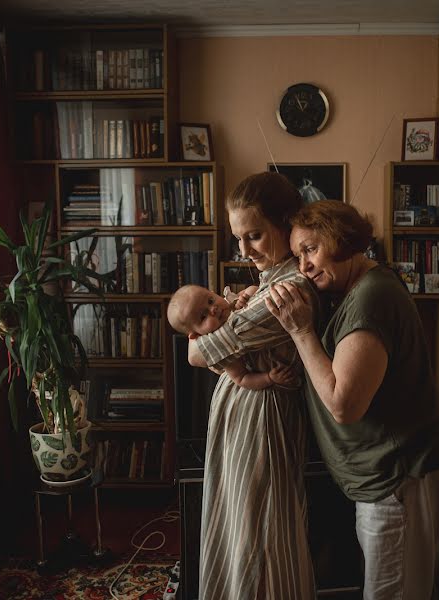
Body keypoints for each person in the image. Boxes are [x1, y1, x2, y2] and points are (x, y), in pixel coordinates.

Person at [266, 200, 439, 600]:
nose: (303, 265)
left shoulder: (371, 298)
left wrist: (301, 332)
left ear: (339, 240)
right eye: (297, 253)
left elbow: (343, 404)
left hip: (397, 478)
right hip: (388, 477)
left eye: (310, 249)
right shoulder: (355, 287)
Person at [186, 172, 317, 599]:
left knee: (258, 535)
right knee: (238, 527)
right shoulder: (266, 284)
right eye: (238, 238)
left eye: (255, 235)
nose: (243, 251)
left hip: (261, 422)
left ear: (286, 224)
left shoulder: (288, 289)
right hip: (242, 418)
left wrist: (201, 346)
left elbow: (198, 354)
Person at [167, 283, 296, 390]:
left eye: (210, 300)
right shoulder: (221, 347)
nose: (213, 309)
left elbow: (255, 290)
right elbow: (242, 379)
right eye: (203, 316)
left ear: (213, 292)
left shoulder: (231, 302)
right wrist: (269, 378)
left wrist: (245, 299)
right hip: (275, 373)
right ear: (196, 335)